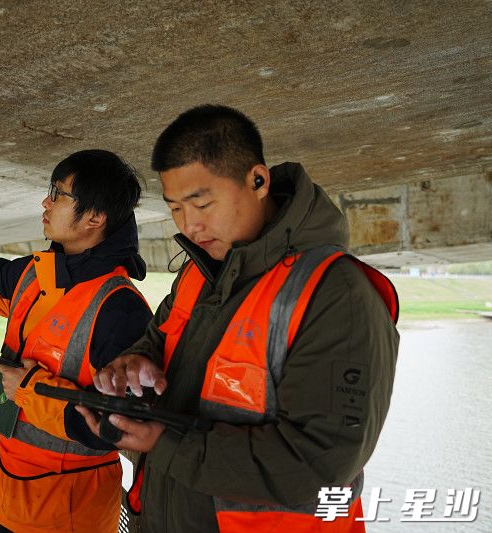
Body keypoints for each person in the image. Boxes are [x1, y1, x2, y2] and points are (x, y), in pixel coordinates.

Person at [79, 105, 400, 532]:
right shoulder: (200, 272)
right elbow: (157, 339)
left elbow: (322, 462)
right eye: (175, 208)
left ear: (258, 180)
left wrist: (165, 444)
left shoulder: (336, 295)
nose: (190, 225)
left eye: (202, 203)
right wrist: (133, 364)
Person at [0, 139, 153, 533]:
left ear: (94, 218)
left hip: (65, 516)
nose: (45, 203)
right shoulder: (36, 275)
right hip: (5, 494)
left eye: (58, 194)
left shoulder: (120, 309)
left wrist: (28, 389)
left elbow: (118, 424)